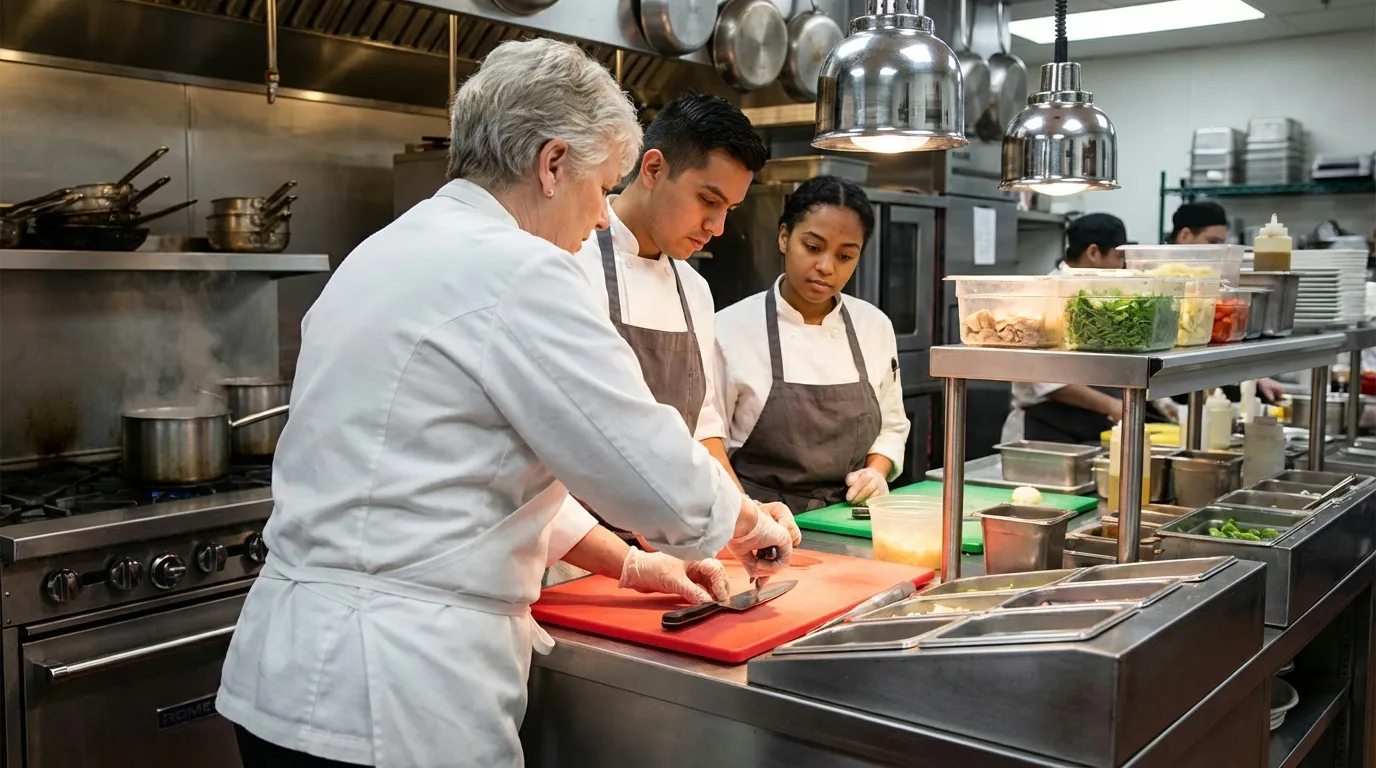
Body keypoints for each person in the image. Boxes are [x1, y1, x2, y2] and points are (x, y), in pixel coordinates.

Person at [217, 39, 794, 768]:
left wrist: (633, 567)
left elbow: (462, 473)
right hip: (397, 697)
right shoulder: (520, 272)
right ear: (552, 164)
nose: (597, 222)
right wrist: (747, 526)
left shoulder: (381, 253)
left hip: (282, 679)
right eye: (598, 189)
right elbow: (650, 474)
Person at [544, 93, 802, 577]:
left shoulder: (695, 290)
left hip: (674, 557)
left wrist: (741, 512)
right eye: (708, 200)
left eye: (730, 209)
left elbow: (699, 430)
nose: (718, 227)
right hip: (569, 560)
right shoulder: (567, 264)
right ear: (654, 168)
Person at [714, 176, 911, 514]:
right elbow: (708, 442)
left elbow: (892, 426)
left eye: (845, 256)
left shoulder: (874, 326)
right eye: (813, 247)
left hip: (848, 517)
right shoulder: (729, 328)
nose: (826, 267)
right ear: (784, 236)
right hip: (757, 520)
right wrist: (747, 516)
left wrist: (874, 474)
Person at [1002, 213, 1134, 443]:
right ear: (1093, 252)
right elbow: (1051, 384)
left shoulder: (1101, 296)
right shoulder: (1047, 295)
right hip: (1044, 432)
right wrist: (1115, 406)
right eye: (1119, 257)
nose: (1121, 266)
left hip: (1090, 427)